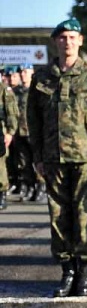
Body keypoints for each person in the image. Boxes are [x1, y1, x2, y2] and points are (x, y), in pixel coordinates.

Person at [28, 19, 87, 297]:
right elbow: (34, 120)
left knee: (85, 215)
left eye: (72, 37)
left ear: (81, 40)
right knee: (59, 216)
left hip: (86, 158)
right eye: (62, 37)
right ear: (56, 41)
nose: (67, 42)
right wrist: (38, 156)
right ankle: (68, 270)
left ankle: (85, 271)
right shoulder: (42, 77)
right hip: (53, 159)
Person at [11, 63, 40, 202]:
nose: (23, 74)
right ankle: (30, 186)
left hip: (32, 132)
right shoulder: (15, 92)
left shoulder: (37, 91)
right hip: (19, 132)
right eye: (21, 72)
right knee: (23, 163)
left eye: (26, 72)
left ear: (32, 72)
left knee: (37, 161)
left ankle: (41, 187)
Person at [0, 78, 18, 211]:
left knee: (0, 165)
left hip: (0, 131)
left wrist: (10, 132)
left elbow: (11, 111)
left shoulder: (4, 90)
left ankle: (2, 193)